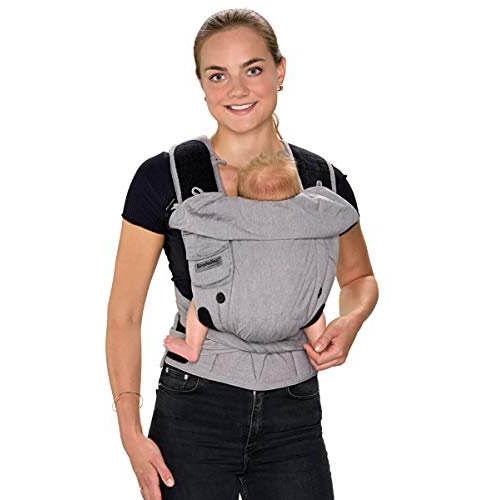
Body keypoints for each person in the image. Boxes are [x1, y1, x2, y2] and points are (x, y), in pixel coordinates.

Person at [106, 8, 379, 500]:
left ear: (280, 70)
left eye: (252, 69)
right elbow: (124, 313)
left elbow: (359, 278)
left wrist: (351, 321)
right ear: (201, 84)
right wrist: (130, 432)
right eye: (218, 75)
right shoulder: (165, 177)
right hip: (194, 409)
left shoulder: (324, 183)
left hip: (294, 414)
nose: (237, 89)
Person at [162, 150, 348, 363]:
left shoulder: (234, 215)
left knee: (200, 302)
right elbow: (339, 212)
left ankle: (191, 346)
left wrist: (176, 213)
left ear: (242, 196)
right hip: (297, 314)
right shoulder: (312, 218)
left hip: (233, 313)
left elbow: (194, 216)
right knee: (314, 311)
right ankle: (319, 345)